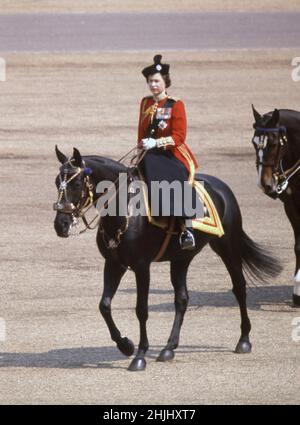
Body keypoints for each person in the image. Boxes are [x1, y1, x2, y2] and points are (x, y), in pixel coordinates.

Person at [137, 54, 199, 250]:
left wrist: (155, 143)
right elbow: (141, 131)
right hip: (149, 153)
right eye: (150, 81)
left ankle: (186, 228)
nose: (153, 85)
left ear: (165, 82)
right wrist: (141, 147)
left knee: (173, 176)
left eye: (157, 81)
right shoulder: (145, 103)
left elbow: (179, 136)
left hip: (172, 152)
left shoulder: (175, 104)